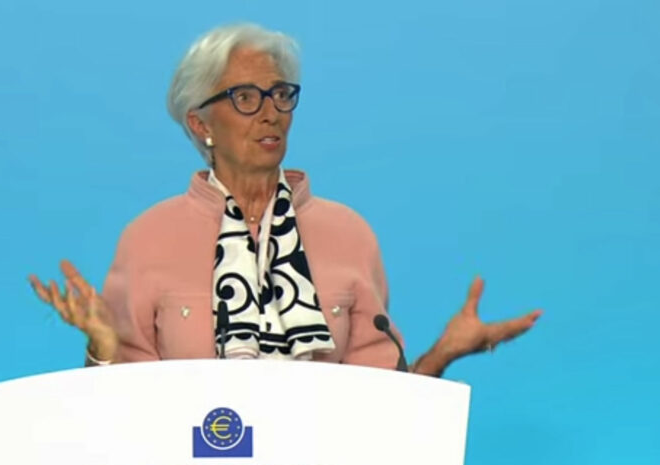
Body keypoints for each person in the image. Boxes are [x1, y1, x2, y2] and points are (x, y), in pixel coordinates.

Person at [28, 24, 541, 376]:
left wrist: (442, 355)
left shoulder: (349, 234)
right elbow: (119, 416)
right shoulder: (148, 239)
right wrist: (102, 349)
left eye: (281, 94)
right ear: (201, 124)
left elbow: (383, 409)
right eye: (245, 98)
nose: (271, 112)